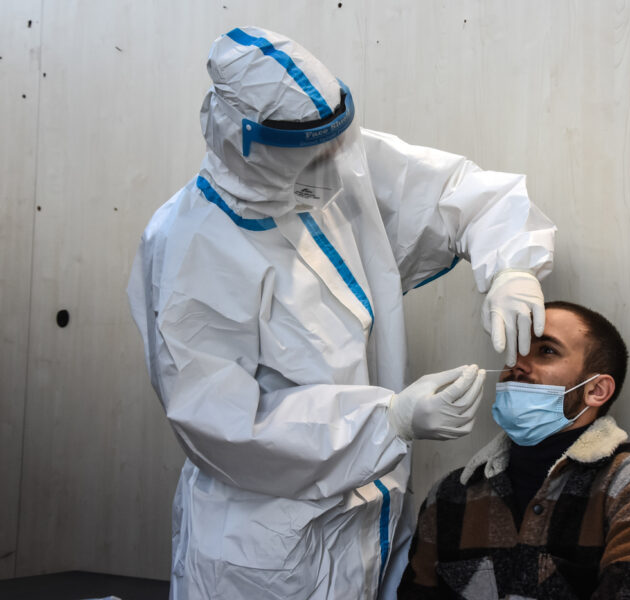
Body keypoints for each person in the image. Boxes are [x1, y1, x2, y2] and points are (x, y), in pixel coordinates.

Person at [126, 27, 556, 600]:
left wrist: (511, 266)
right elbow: (221, 426)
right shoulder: (189, 247)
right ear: (245, 145)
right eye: (310, 164)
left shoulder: (335, 159)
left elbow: (466, 191)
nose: (335, 177)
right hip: (267, 546)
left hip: (369, 518)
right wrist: (390, 421)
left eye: (337, 149)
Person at [398, 301, 630, 599]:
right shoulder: (450, 493)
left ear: (596, 390)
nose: (517, 364)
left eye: (546, 351)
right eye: (516, 349)